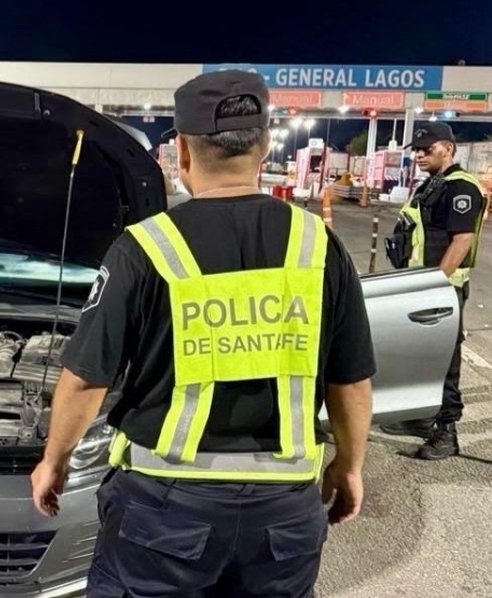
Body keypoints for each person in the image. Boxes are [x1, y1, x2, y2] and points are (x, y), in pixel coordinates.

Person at [30, 70, 376, 597]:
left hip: (163, 511)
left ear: (183, 155)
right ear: (262, 147)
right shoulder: (319, 246)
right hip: (282, 514)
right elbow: (350, 382)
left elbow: (85, 380)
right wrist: (349, 467)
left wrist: (54, 462)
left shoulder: (145, 247)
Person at [380, 122, 488, 460]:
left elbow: (462, 241)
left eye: (427, 148)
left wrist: (434, 285)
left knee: (445, 360)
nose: (419, 154)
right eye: (417, 149)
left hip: (442, 288)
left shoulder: (461, 188)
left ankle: (447, 432)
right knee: (419, 354)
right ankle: (420, 417)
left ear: (448, 148)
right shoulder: (433, 185)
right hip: (420, 283)